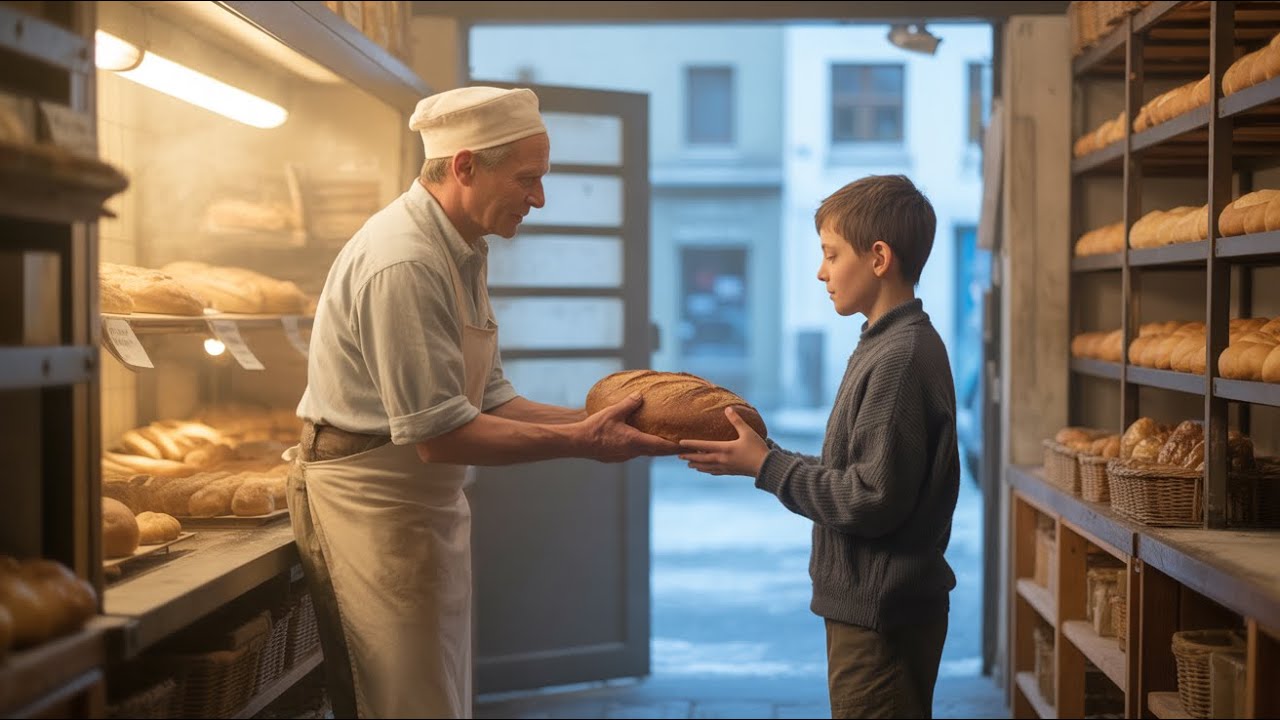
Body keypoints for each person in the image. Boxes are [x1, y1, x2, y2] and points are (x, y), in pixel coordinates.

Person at [287, 86, 678, 719]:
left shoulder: (462, 248)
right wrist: (582, 442)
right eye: (528, 180)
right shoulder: (405, 261)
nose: (541, 199)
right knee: (403, 704)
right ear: (465, 166)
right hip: (370, 506)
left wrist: (612, 417)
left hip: (422, 507)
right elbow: (440, 435)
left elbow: (490, 401)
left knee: (439, 698)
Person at [678, 175, 960, 719]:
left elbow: (869, 499)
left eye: (831, 254)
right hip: (880, 612)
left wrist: (767, 466)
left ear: (879, 257)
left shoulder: (899, 359)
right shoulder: (888, 343)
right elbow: (859, 474)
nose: (821, 271)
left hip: (882, 619)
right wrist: (765, 454)